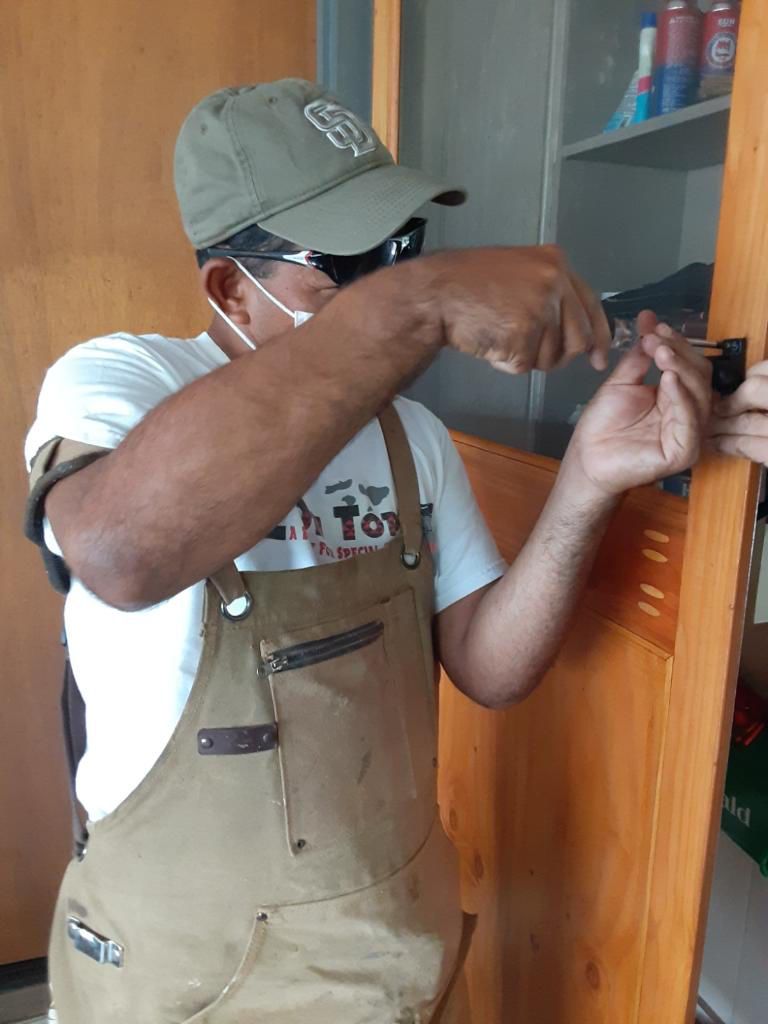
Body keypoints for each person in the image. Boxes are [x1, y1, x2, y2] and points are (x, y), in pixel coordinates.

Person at [24, 80, 712, 1024]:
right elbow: (120, 554)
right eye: (348, 263)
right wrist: (417, 300)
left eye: (402, 249)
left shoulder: (410, 437)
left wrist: (589, 481)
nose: (386, 281)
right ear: (231, 288)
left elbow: (490, 667)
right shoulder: (122, 381)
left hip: (390, 957)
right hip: (186, 977)